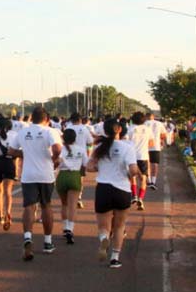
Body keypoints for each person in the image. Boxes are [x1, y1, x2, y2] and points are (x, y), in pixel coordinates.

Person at [8, 106, 62, 261]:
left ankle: (27, 238)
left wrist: (25, 153)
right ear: (46, 119)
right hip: (45, 174)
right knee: (46, 205)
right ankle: (47, 241)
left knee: (29, 206)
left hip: (28, 174)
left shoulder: (22, 132)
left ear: (32, 118)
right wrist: (54, 159)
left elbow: (11, 152)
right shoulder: (50, 131)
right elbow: (58, 149)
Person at [87, 118, 139, 268]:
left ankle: (104, 238)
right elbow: (134, 170)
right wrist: (130, 174)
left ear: (104, 131)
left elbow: (89, 167)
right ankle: (115, 258)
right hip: (122, 189)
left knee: (104, 225)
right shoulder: (127, 147)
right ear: (120, 130)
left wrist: (101, 169)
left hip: (103, 188)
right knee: (119, 226)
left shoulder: (100, 148)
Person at [56, 128, 88, 245]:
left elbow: (57, 162)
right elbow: (86, 164)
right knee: (73, 206)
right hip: (75, 176)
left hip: (63, 175)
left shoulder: (61, 149)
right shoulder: (81, 149)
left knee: (64, 204)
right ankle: (70, 228)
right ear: (75, 138)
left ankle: (65, 228)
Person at [127, 112, 153, 210]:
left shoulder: (130, 129)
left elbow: (126, 141)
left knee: (132, 177)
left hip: (132, 156)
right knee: (143, 178)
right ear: (144, 120)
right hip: (143, 156)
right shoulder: (147, 129)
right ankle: (141, 198)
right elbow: (151, 143)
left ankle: (134, 195)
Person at [145, 114, 168, 190]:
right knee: (155, 164)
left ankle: (148, 181)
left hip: (145, 146)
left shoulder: (144, 123)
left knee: (147, 164)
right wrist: (161, 140)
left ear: (146, 117)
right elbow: (164, 135)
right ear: (153, 117)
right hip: (155, 146)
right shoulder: (159, 123)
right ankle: (153, 182)